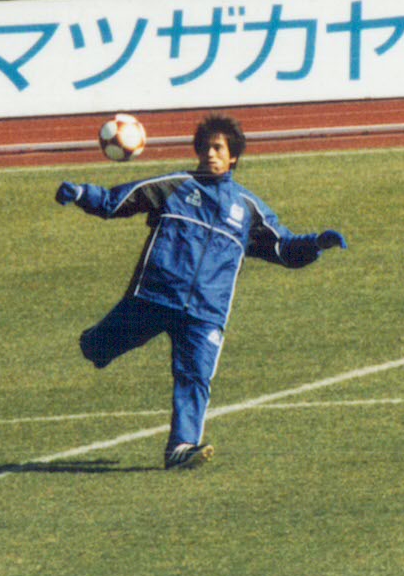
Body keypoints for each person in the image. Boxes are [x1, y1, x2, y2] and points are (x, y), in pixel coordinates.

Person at [54, 114, 348, 471]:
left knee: (194, 377)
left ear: (233, 156)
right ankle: (95, 344)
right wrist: (82, 194)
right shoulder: (175, 186)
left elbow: (284, 248)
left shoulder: (248, 210)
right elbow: (117, 201)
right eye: (206, 147)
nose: (210, 154)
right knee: (97, 348)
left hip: (206, 313)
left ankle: (181, 447)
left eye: (218, 148)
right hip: (155, 297)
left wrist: (316, 244)